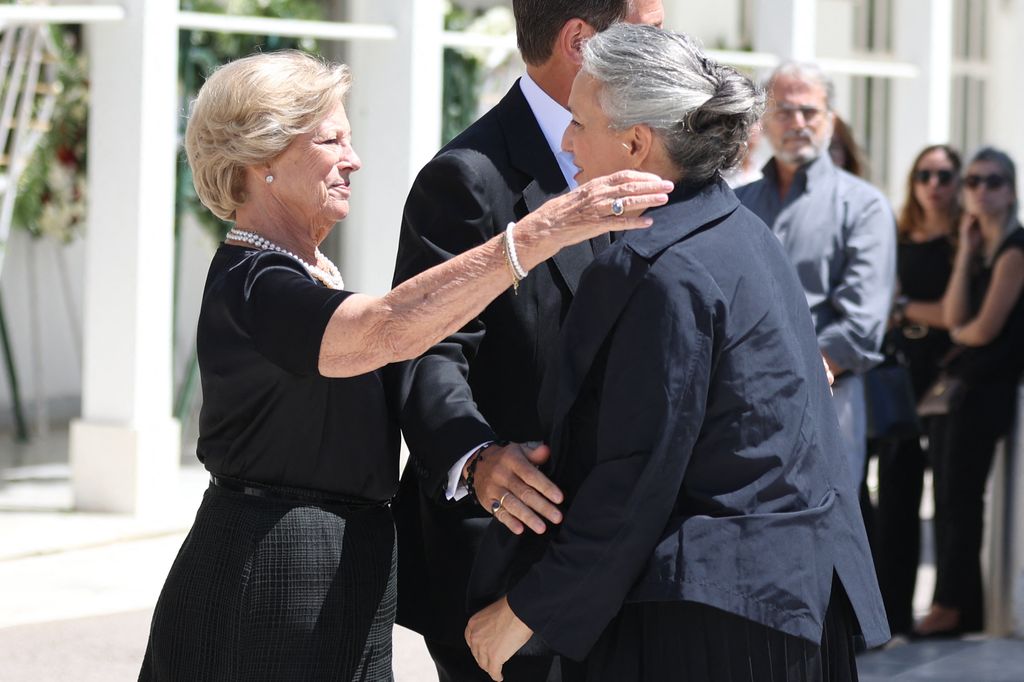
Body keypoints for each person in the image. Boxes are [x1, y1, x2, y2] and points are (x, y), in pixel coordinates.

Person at [138, 50, 671, 681]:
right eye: (330, 139)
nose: (353, 159)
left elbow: (422, 338)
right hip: (273, 573)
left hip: (341, 566)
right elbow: (389, 329)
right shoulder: (254, 283)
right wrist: (537, 234)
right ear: (263, 159)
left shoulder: (299, 273)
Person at [465, 25, 889, 682]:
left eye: (579, 122)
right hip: (785, 611)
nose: (568, 140)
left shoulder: (660, 267)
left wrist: (524, 611)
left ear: (635, 142)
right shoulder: (742, 231)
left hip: (708, 627)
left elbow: (635, 474)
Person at [391, 1, 664, 680]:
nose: (669, 48)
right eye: (652, 32)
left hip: (618, 562)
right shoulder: (466, 177)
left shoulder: (650, 152)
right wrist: (476, 458)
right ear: (581, 41)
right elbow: (426, 347)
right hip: (503, 561)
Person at [735, 62, 896, 489]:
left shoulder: (864, 206)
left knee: (823, 536)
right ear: (764, 121)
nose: (798, 123)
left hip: (830, 398)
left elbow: (862, 325)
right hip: (739, 402)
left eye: (810, 111)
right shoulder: (736, 204)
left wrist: (792, 377)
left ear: (831, 119)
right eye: (785, 111)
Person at [915, 146, 1024, 637]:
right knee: (950, 496)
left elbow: (977, 330)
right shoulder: (979, 247)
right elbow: (958, 315)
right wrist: (963, 250)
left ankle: (954, 605)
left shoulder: (1016, 249)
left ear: (1011, 190)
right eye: (974, 182)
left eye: (993, 182)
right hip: (963, 391)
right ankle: (957, 604)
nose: (981, 190)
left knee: (961, 499)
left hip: (987, 391)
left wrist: (958, 331)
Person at [874, 144, 960, 636]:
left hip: (947, 375)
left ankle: (949, 607)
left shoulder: (965, 241)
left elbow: (951, 314)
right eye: (925, 174)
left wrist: (905, 307)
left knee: (949, 498)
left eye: (946, 175)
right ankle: (892, 613)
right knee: (896, 496)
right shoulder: (898, 234)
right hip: (901, 373)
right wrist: (906, 309)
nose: (935, 185)